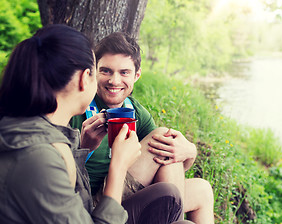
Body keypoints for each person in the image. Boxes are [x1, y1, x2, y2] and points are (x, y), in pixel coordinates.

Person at [0, 24, 191, 224]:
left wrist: (84, 148)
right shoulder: (38, 156)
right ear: (85, 78)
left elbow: (76, 200)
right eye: (100, 71)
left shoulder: (35, 129)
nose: (112, 81)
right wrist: (118, 165)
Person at [71, 32, 214, 223]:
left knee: (202, 190)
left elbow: (169, 164)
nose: (114, 80)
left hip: (125, 193)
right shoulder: (78, 107)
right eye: (106, 71)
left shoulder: (135, 111)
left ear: (136, 75)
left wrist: (190, 151)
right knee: (162, 137)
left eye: (124, 72)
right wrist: (83, 146)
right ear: (94, 71)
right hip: (96, 204)